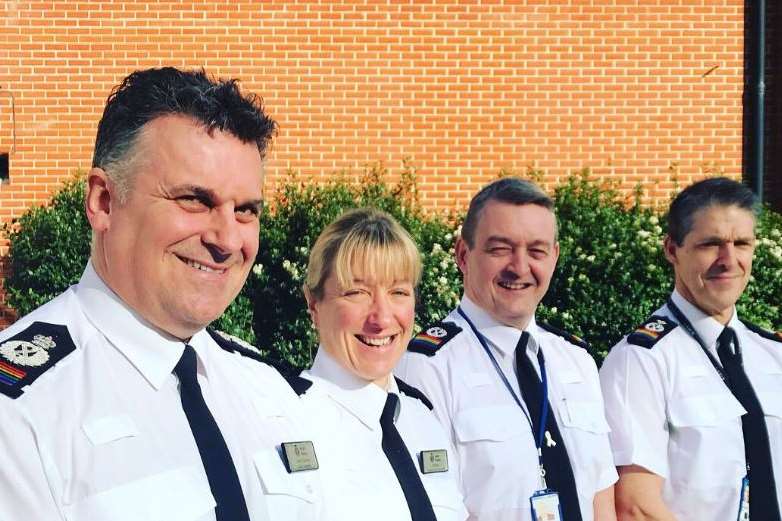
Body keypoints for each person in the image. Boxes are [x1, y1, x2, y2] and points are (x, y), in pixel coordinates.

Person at [0, 68, 323, 521]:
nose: (228, 240)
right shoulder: (20, 414)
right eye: (194, 200)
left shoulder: (270, 391)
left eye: (246, 210)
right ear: (105, 202)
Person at [396, 177, 617, 521]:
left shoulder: (576, 361)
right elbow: (431, 509)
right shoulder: (426, 367)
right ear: (463, 254)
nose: (519, 267)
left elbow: (602, 499)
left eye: (537, 251)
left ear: (554, 257)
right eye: (500, 249)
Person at [599, 177, 782, 521]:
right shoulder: (641, 360)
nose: (729, 260)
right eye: (710, 244)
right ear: (672, 250)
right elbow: (635, 506)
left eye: (741, 243)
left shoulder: (773, 354)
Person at [298, 208, 468, 521]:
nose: (382, 318)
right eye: (357, 292)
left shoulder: (423, 419)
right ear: (314, 303)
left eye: (398, 292)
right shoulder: (290, 423)